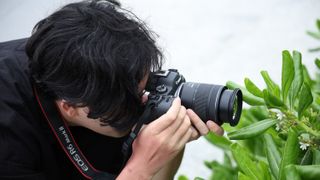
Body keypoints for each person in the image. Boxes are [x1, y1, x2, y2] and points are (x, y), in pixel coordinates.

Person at [0, 0, 224, 179]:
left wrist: (171, 139)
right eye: (129, 100)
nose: (144, 101)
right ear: (70, 107)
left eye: (144, 87)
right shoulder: (9, 145)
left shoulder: (96, 76)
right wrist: (139, 169)